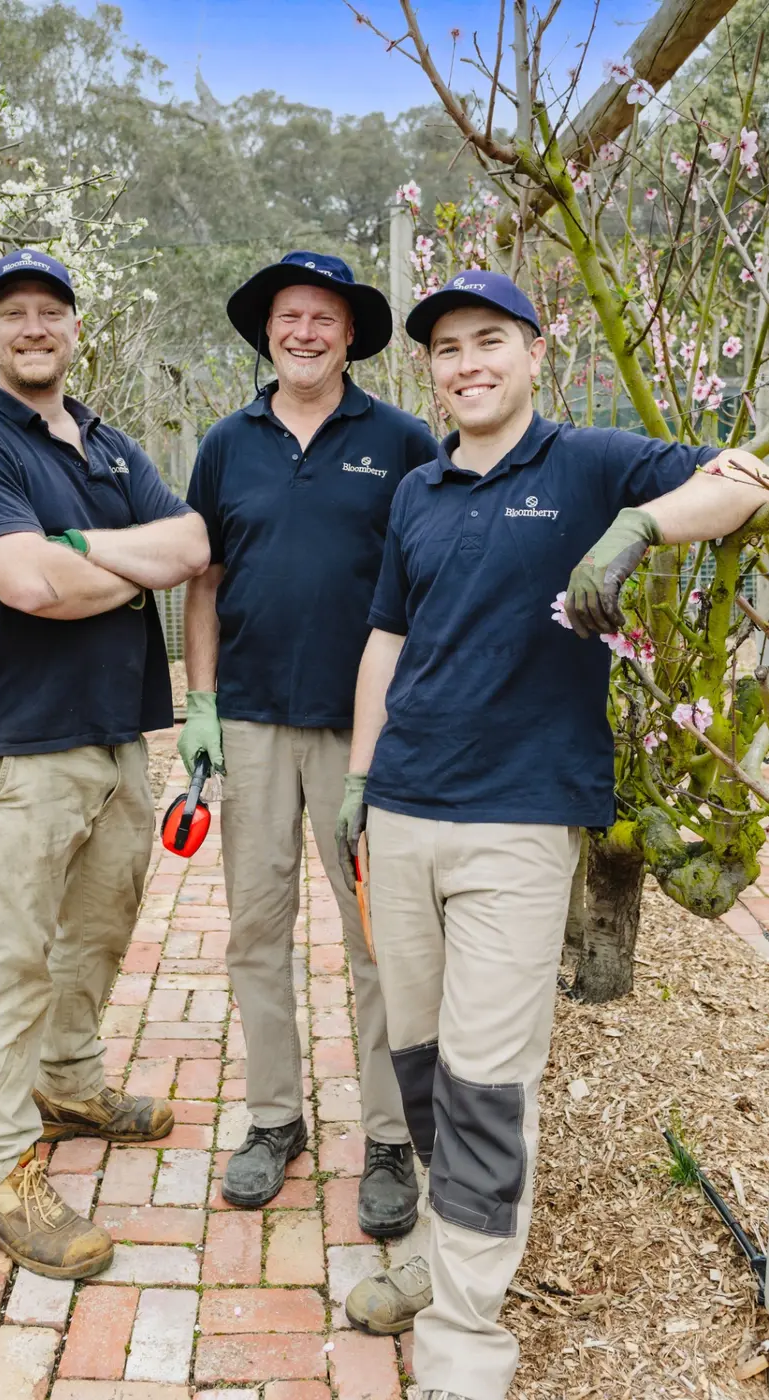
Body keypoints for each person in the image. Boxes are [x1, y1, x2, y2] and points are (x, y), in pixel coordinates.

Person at [336, 270, 768, 1400]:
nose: (467, 362)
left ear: (537, 351)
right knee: (422, 1064)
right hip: (404, 808)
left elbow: (747, 479)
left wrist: (638, 524)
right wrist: (357, 777)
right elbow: (386, 638)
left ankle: (465, 1345)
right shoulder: (420, 490)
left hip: (518, 825)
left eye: (490, 340)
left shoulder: (589, 462)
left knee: (486, 1079)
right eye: (446, 349)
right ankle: (442, 1252)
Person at [0, 249, 210, 1279]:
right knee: (13, 957)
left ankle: (69, 1077)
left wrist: (80, 547)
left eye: (51, 311)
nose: (34, 327)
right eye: (15, 314)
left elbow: (189, 545)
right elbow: (26, 585)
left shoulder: (108, 441)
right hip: (24, 744)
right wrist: (118, 561)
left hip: (118, 733)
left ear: (74, 326)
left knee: (99, 928)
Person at [179, 250, 439, 1232]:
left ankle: (385, 1135)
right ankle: (273, 1117)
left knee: (378, 939)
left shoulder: (404, 440)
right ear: (267, 329)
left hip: (361, 731)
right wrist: (199, 702)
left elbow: (431, 575)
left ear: (350, 334)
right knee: (255, 930)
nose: (304, 331)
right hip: (245, 724)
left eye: (323, 316)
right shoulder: (225, 444)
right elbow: (202, 579)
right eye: (289, 315)